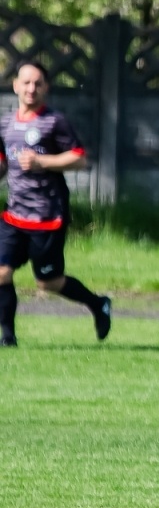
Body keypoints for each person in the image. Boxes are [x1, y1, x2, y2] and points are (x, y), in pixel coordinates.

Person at [0, 61, 112, 346]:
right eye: (25, 83)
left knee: (47, 282)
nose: (31, 88)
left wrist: (42, 161)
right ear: (15, 86)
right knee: (1, 272)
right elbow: (5, 163)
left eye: (37, 83)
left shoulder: (54, 121)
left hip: (47, 216)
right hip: (14, 214)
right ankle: (8, 337)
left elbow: (79, 158)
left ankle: (98, 304)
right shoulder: (5, 123)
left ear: (46, 88)